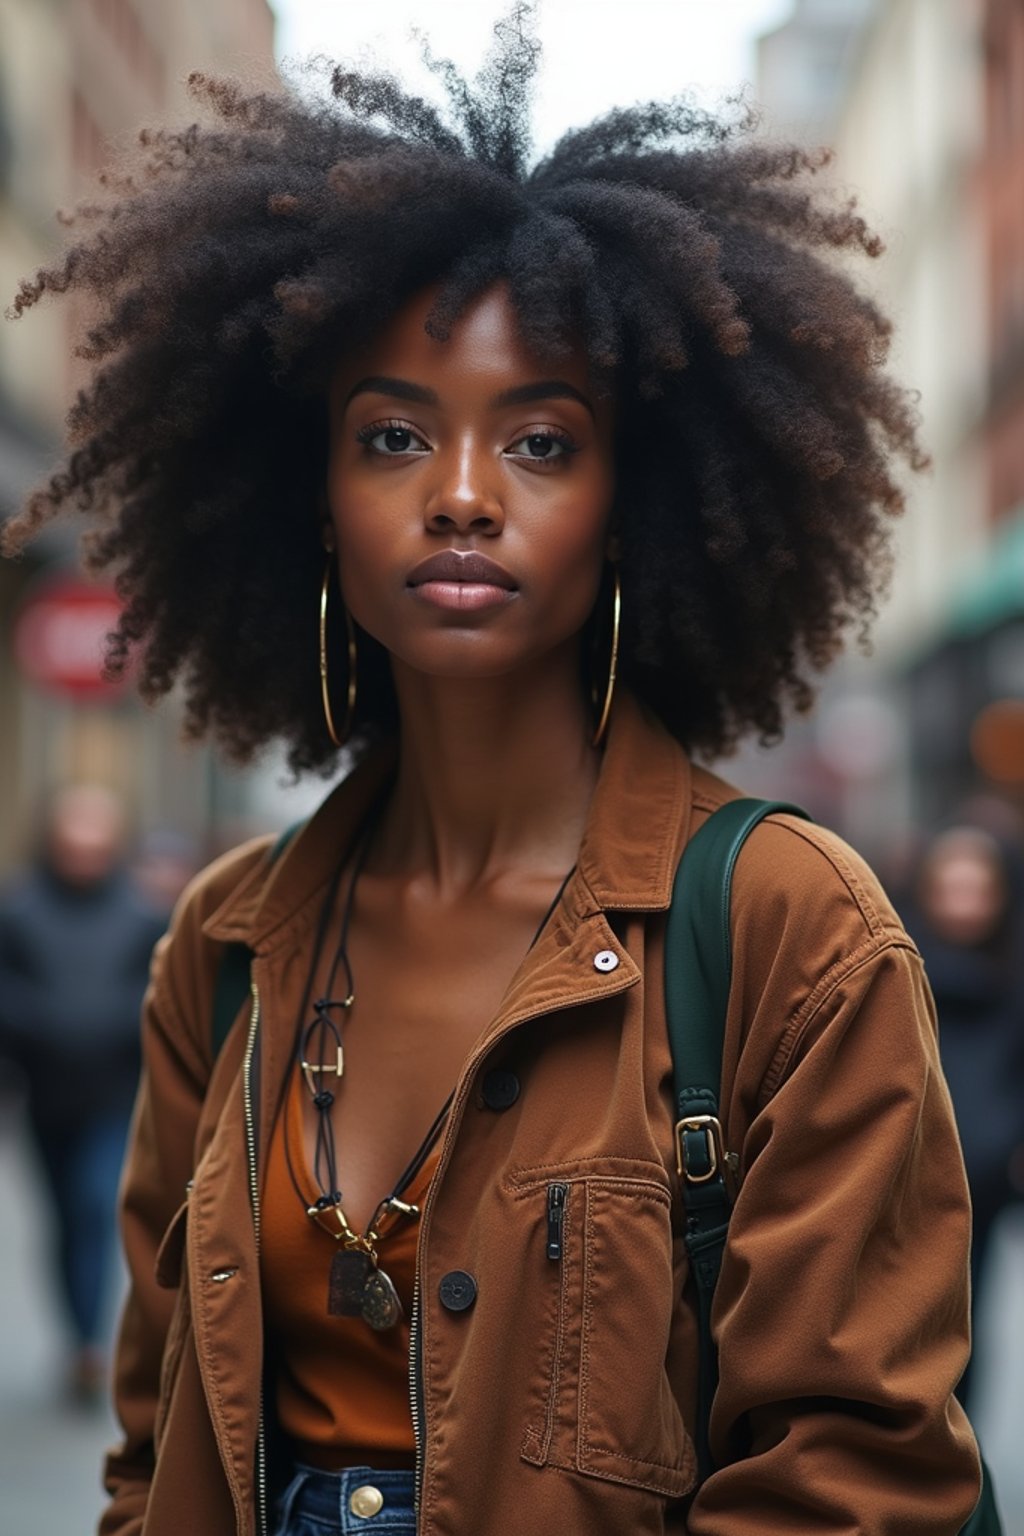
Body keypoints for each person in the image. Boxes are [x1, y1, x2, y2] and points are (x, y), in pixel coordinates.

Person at [3, 9, 983, 1533]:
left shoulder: (791, 931)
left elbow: (852, 1485)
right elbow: (157, 1448)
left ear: (630, 506)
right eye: (394, 439)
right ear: (311, 498)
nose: (461, 498)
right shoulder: (223, 947)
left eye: (540, 443)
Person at [0, 785, 166, 1403]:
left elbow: (162, 992)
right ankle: (78, 1334)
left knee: (97, 1204)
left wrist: (110, 1022)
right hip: (45, 1095)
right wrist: (39, 1023)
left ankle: (94, 1347)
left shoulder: (142, 914)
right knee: (65, 1218)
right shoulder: (19, 912)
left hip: (114, 1094)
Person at [905, 825, 1024, 1411]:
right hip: (913, 1175)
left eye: (978, 888)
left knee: (972, 1322)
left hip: (987, 1179)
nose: (964, 902)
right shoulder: (902, 971)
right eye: (952, 886)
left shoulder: (1013, 976)